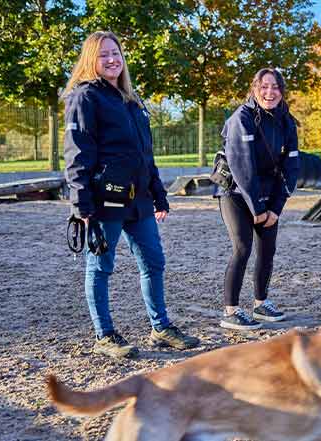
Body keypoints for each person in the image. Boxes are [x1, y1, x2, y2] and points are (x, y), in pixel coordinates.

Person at [62, 31, 199, 358]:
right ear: (91, 60)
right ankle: (104, 335)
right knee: (100, 266)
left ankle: (161, 327)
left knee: (153, 261)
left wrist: (158, 193)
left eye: (115, 53)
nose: (111, 59)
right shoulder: (84, 98)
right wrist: (82, 204)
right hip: (105, 199)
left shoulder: (131, 100)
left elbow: (144, 154)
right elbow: (76, 154)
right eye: (103, 55)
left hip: (137, 199)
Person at [216, 68, 300, 331]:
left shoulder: (287, 121)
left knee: (267, 249)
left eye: (275, 87)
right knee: (242, 248)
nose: (269, 92)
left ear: (282, 91)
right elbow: (243, 168)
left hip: (266, 196)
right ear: (254, 89)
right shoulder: (241, 118)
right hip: (236, 193)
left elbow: (291, 167)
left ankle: (261, 302)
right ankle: (231, 310)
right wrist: (258, 207)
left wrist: (275, 207)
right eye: (264, 86)